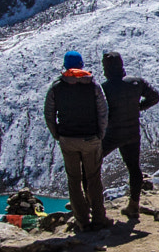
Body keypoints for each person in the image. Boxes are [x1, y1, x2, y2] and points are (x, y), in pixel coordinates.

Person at [44, 49, 111, 233]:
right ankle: (99, 218)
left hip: (68, 139)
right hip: (91, 139)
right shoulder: (93, 85)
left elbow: (49, 113)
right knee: (93, 178)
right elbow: (103, 111)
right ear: (81, 65)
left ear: (65, 66)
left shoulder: (57, 87)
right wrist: (100, 133)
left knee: (74, 180)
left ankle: (82, 220)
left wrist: (56, 134)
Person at [100, 51, 159, 222]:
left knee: (92, 164)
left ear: (107, 68)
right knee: (134, 167)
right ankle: (134, 205)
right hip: (132, 132)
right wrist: (138, 108)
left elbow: (99, 112)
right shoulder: (136, 83)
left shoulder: (105, 88)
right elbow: (154, 97)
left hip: (112, 134)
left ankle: (95, 206)